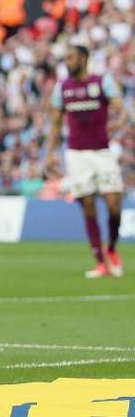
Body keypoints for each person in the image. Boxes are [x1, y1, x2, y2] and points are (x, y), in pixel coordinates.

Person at [44, 45, 127, 278]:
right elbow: (56, 124)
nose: (67, 61)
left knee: (113, 205)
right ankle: (100, 262)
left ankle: (111, 247)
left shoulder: (103, 82)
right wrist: (50, 154)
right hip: (76, 154)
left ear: (83, 58)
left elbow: (121, 109)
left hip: (102, 152)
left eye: (70, 57)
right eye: (65, 57)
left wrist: (119, 120)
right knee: (88, 206)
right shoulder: (62, 88)